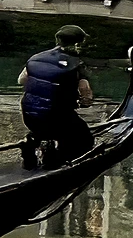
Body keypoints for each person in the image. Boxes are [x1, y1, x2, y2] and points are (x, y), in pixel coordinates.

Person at [18, 23, 98, 167]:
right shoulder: (76, 65)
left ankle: (32, 144)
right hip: (57, 119)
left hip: (29, 115)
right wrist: (84, 102)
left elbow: (21, 80)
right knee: (86, 140)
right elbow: (86, 95)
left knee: (45, 125)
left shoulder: (35, 58)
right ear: (77, 44)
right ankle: (61, 160)